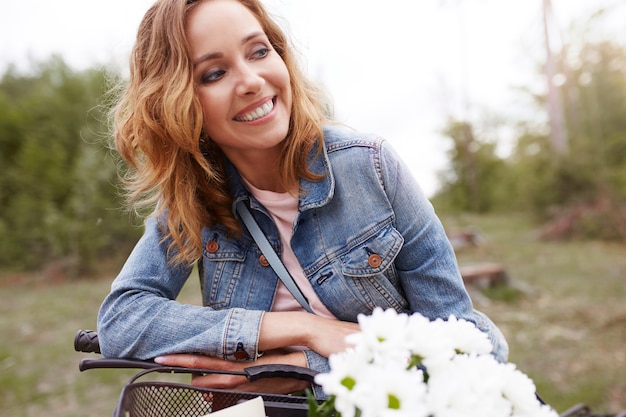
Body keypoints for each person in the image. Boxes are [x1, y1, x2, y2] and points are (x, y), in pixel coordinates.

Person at [97, 0, 509, 399]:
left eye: (259, 51)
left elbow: (467, 344)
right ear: (176, 103)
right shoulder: (195, 198)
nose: (252, 81)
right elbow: (122, 321)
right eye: (214, 73)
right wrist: (306, 331)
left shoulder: (370, 168)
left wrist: (307, 369)